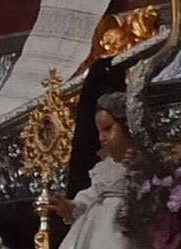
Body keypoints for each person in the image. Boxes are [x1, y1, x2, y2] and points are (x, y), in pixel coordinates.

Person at [52, 93, 144, 249]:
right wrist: (74, 207)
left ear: (129, 126)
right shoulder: (104, 168)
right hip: (93, 230)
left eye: (108, 129)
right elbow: (92, 194)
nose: (102, 138)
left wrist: (139, 167)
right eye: (100, 132)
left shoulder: (147, 161)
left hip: (123, 229)